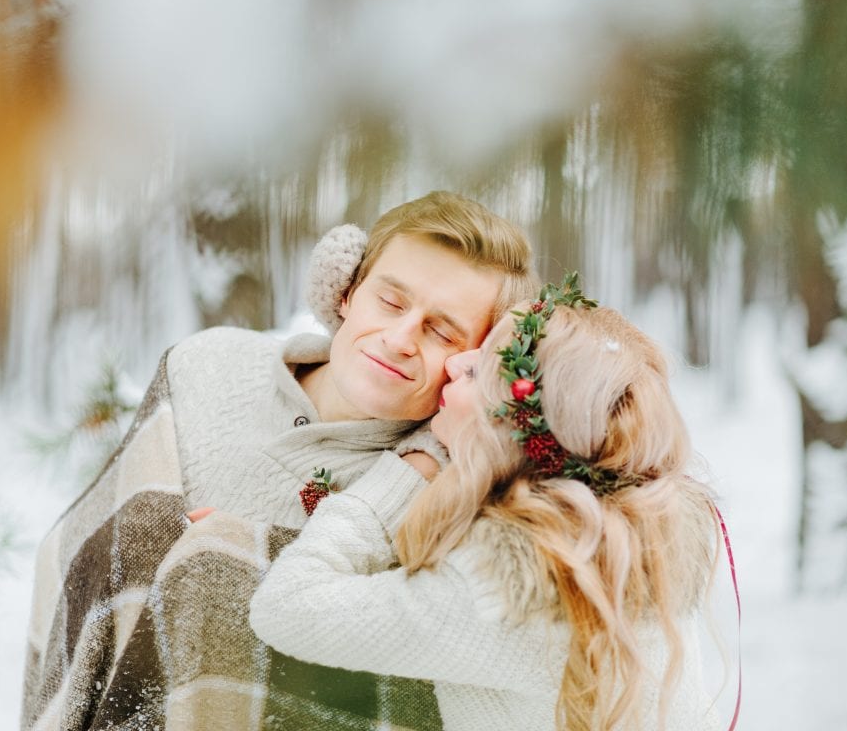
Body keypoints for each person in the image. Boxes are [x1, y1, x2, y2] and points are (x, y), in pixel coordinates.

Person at [20, 191, 538, 730]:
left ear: (480, 360)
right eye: (390, 301)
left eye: (442, 331)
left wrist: (234, 560)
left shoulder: (452, 499)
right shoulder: (204, 369)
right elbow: (86, 562)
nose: (400, 338)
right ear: (348, 292)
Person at [248, 275, 724, 731]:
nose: (454, 365)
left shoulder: (505, 591)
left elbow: (287, 607)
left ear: (512, 429)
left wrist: (410, 468)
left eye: (477, 370)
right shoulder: (627, 546)